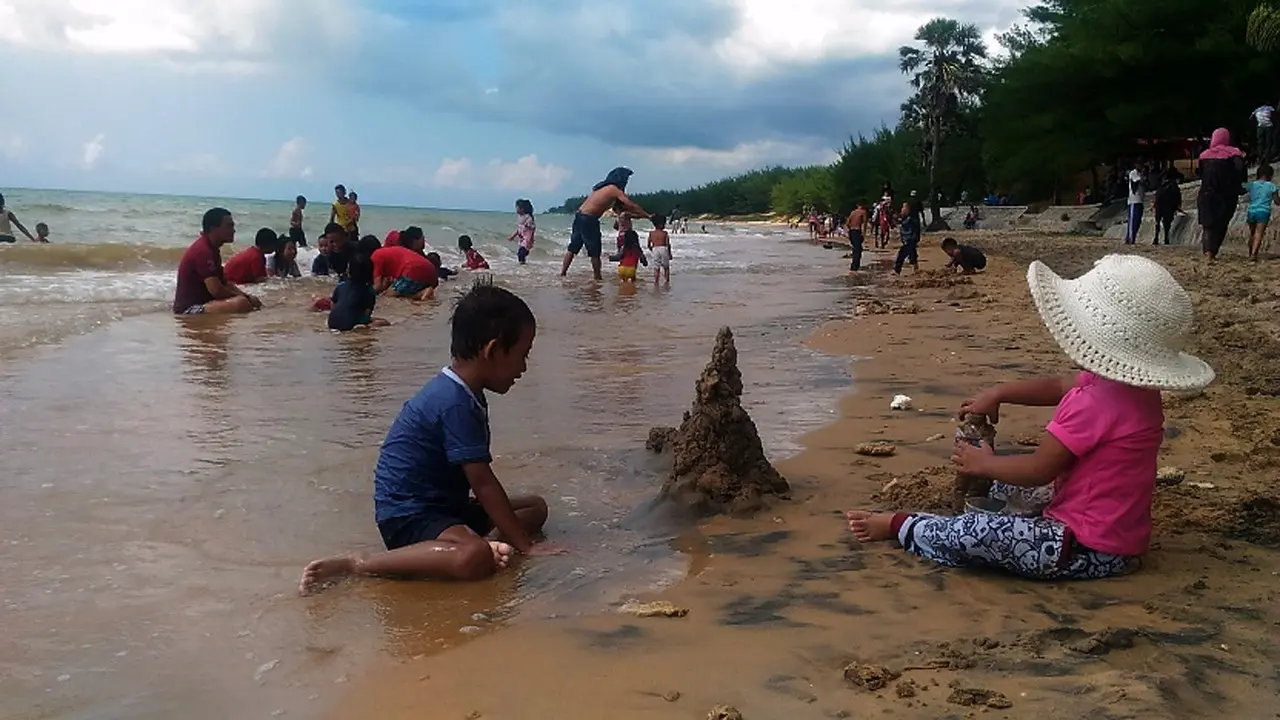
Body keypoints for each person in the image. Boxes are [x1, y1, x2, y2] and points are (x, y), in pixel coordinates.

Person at [847, 254, 1214, 581]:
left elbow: (1040, 469)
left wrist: (986, 463)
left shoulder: (1094, 403)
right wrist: (1001, 392)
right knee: (1010, 488)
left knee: (976, 530)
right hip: (1118, 537)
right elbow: (1059, 385)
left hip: (1083, 549)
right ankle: (985, 494)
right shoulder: (1133, 390)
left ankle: (902, 526)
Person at [299, 281, 560, 593]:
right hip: (410, 515)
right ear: (492, 350)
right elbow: (482, 480)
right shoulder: (453, 401)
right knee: (471, 556)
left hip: (445, 506)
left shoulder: (466, 391)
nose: (524, 367)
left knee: (534, 508)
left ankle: (489, 547)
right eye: (522, 355)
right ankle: (359, 563)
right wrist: (526, 548)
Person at [561, 167, 650, 281]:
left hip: (579, 216)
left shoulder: (601, 188)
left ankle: (563, 273)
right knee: (594, 250)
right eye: (626, 179)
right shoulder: (614, 189)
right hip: (589, 219)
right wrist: (647, 215)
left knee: (573, 248)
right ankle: (597, 277)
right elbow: (630, 205)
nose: (626, 182)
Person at [173, 208, 261, 315]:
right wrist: (243, 298)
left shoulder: (212, 249)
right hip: (189, 309)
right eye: (229, 226)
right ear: (213, 229)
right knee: (241, 304)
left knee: (250, 301)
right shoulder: (203, 251)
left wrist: (246, 296)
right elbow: (216, 290)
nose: (233, 230)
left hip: (205, 303)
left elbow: (225, 283)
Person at [1197, 128, 1247, 262]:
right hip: (1227, 195)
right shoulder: (1234, 153)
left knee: (1208, 225)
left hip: (1207, 194)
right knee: (1222, 223)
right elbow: (1240, 171)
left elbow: (1200, 174)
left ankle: (1208, 253)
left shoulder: (1203, 155)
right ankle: (1213, 252)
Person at [328, 254, 389, 332]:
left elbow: (333, 306)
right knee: (384, 322)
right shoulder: (369, 291)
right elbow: (366, 315)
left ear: (349, 270)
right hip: (350, 325)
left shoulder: (341, 286)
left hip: (332, 322)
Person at [373, 229, 438, 301]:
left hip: (413, 270)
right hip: (432, 273)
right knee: (403, 291)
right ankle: (423, 292)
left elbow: (377, 287)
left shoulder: (375, 256)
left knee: (389, 295)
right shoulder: (387, 252)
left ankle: (423, 293)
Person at [1246, 164, 1279, 262]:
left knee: (1252, 233)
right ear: (1270, 175)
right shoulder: (1272, 186)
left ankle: (1250, 252)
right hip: (1263, 211)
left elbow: (1242, 188)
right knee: (1259, 233)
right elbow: (1277, 201)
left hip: (1251, 210)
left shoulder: (1251, 185)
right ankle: (1254, 254)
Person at [893, 191, 924, 275]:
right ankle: (916, 268)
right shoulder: (908, 218)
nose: (902, 210)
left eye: (904, 208)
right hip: (909, 239)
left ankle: (897, 270)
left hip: (910, 239)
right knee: (912, 253)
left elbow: (914, 229)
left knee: (902, 254)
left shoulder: (911, 220)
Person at [1152, 168, 1182, 246]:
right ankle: (1166, 237)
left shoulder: (1161, 184)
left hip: (1159, 204)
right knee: (1167, 222)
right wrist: (1177, 206)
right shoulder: (1173, 185)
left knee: (1157, 221)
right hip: (1168, 205)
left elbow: (1157, 195)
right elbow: (1177, 196)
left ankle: (1156, 237)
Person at [507, 199, 536, 264]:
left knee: (521, 252)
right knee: (520, 254)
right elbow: (519, 229)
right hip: (522, 239)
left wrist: (531, 239)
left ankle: (522, 265)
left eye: (517, 208)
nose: (516, 209)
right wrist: (513, 236)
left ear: (522, 209)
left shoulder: (528, 218)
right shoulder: (519, 217)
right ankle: (523, 265)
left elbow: (533, 228)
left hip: (527, 240)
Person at [647, 213, 672, 285]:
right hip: (663, 249)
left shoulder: (651, 233)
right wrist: (669, 254)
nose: (664, 225)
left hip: (655, 249)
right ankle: (667, 281)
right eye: (664, 224)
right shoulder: (665, 233)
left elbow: (648, 244)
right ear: (660, 224)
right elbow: (667, 244)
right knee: (666, 267)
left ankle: (656, 282)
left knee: (656, 267)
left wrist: (652, 250)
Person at [1125, 162, 1146, 245]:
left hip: (1140, 200)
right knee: (1133, 220)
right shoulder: (1133, 173)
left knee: (1137, 220)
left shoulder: (1140, 174)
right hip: (1134, 200)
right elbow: (1139, 181)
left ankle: (1133, 237)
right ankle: (1130, 238)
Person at [846, 201, 868, 273]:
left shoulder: (853, 212)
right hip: (857, 231)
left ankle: (854, 266)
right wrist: (863, 234)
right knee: (858, 250)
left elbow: (847, 223)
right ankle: (854, 268)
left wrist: (850, 230)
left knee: (856, 249)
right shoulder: (863, 212)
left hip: (851, 232)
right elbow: (864, 224)